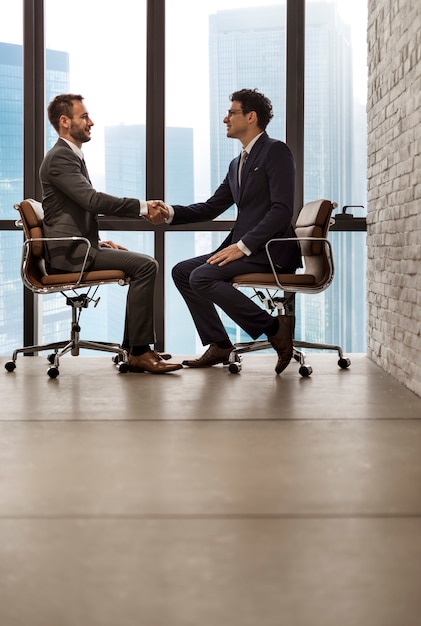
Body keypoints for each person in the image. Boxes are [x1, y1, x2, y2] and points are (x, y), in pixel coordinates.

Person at [154, 88, 302, 374]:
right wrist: (169, 212)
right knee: (182, 271)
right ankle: (220, 344)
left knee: (202, 276)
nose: (225, 119)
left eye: (231, 113)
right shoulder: (237, 163)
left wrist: (243, 245)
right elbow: (211, 207)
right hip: (246, 249)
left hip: (270, 251)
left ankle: (274, 328)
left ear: (251, 116)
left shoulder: (275, 151)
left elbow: (282, 210)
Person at [39, 93, 182, 374]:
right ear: (65, 121)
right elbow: (92, 201)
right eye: (84, 116)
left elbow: (67, 213)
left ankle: (135, 349)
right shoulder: (60, 158)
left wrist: (98, 242)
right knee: (145, 266)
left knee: (141, 264)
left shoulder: (69, 156)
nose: (90, 122)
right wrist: (142, 207)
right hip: (69, 256)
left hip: (77, 247)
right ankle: (138, 351)